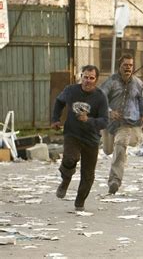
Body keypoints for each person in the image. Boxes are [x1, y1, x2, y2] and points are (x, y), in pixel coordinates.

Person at [52, 65, 108, 211]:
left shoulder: (100, 97)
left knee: (88, 175)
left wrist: (88, 120)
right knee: (70, 158)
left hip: (91, 139)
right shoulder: (71, 90)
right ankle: (65, 181)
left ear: (96, 80)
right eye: (85, 77)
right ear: (81, 76)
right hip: (73, 134)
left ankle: (79, 203)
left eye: (91, 78)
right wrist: (55, 119)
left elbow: (104, 121)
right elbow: (59, 102)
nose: (87, 81)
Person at [100, 54, 143, 194]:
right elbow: (100, 98)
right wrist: (109, 111)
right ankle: (111, 150)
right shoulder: (111, 82)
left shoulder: (138, 83)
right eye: (125, 65)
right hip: (110, 123)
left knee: (120, 147)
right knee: (108, 150)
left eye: (130, 65)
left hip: (127, 123)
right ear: (119, 66)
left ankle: (114, 181)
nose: (128, 68)